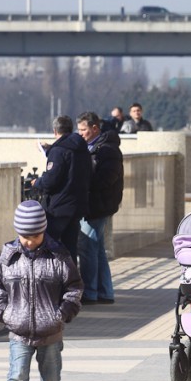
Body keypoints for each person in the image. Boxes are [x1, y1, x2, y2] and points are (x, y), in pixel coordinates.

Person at [0, 200, 83, 381]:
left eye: (35, 236)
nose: (30, 242)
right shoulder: (8, 256)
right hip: (19, 333)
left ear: (43, 231)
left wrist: (63, 313)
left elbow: (74, 286)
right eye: (25, 236)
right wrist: (4, 313)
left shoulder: (59, 255)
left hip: (50, 332)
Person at [76, 111, 124, 305]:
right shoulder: (95, 147)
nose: (79, 134)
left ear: (94, 128)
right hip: (97, 203)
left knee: (88, 248)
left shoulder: (106, 150)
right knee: (96, 249)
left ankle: (91, 292)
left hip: (97, 204)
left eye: (83, 130)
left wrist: (82, 180)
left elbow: (104, 179)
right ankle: (104, 291)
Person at [31, 115, 92, 264]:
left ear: (54, 131)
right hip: (76, 205)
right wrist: (51, 148)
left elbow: (51, 181)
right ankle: (71, 283)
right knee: (70, 249)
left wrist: (37, 182)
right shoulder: (82, 148)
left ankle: (50, 284)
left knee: (47, 245)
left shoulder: (58, 151)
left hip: (58, 208)